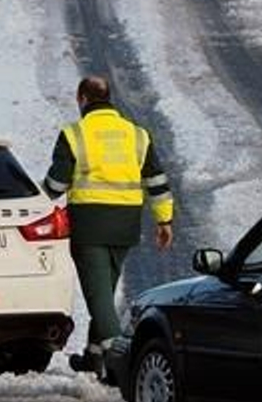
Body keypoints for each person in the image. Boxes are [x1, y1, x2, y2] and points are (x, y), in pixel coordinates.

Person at [43, 75, 174, 375]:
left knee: (99, 297)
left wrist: (36, 196)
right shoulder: (136, 135)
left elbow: (56, 185)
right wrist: (164, 220)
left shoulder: (75, 134)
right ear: (108, 97)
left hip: (89, 224)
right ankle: (93, 358)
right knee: (104, 291)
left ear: (82, 99)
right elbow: (156, 181)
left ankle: (121, 363)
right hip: (125, 225)